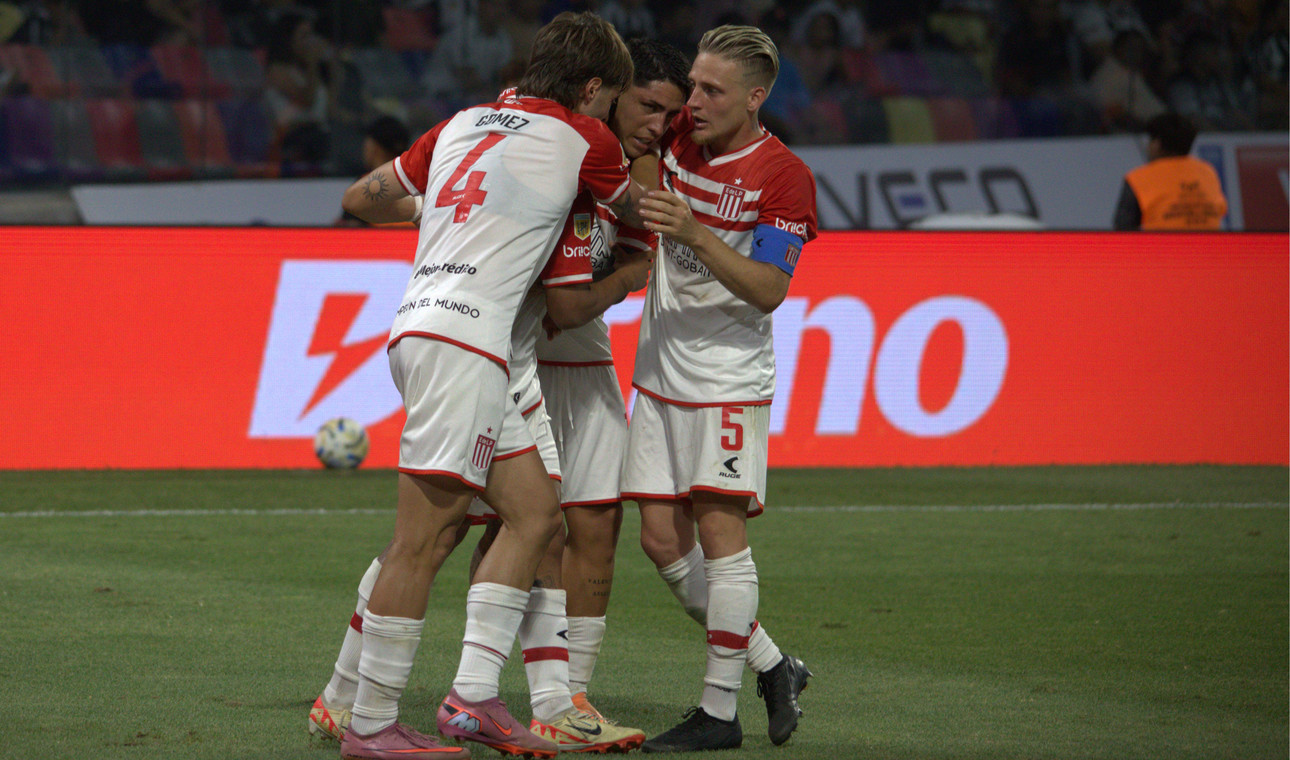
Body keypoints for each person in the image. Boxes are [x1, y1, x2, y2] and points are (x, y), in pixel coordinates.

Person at [316, 12, 644, 760]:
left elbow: (362, 200)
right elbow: (634, 209)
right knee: (422, 542)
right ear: (593, 87)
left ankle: (473, 700)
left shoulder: (461, 123)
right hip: (464, 342)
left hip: (442, 331)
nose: (610, 116)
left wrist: (446, 213)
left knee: (535, 518)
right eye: (610, 99)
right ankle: (369, 728)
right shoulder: (584, 136)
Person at [620, 25, 817, 753]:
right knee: (659, 539)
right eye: (693, 85)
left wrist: (697, 234)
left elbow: (770, 288)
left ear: (755, 97)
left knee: (719, 536)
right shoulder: (677, 134)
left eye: (711, 90)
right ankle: (773, 664)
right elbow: (638, 156)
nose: (692, 102)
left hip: (727, 378)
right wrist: (651, 198)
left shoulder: (783, 175)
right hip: (660, 367)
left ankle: (719, 712)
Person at [533, 36, 691, 720]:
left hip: (584, 349)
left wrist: (628, 268)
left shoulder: (642, 171)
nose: (657, 125)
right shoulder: (564, 146)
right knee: (460, 526)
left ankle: (571, 695)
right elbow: (631, 268)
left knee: (597, 520)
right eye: (649, 106)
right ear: (612, 91)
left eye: (669, 116)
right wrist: (629, 276)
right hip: (516, 352)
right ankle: (356, 681)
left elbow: (638, 248)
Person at [1112, 112, 1227, 230]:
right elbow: (1221, 210)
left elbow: (1123, 229)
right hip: (1211, 246)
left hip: (1165, 247)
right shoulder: (1208, 172)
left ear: (1157, 144)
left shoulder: (1138, 178)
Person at [336, 116, 412, 226]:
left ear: (374, 146)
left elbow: (352, 227)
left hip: (374, 242)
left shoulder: (365, 185)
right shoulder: (417, 181)